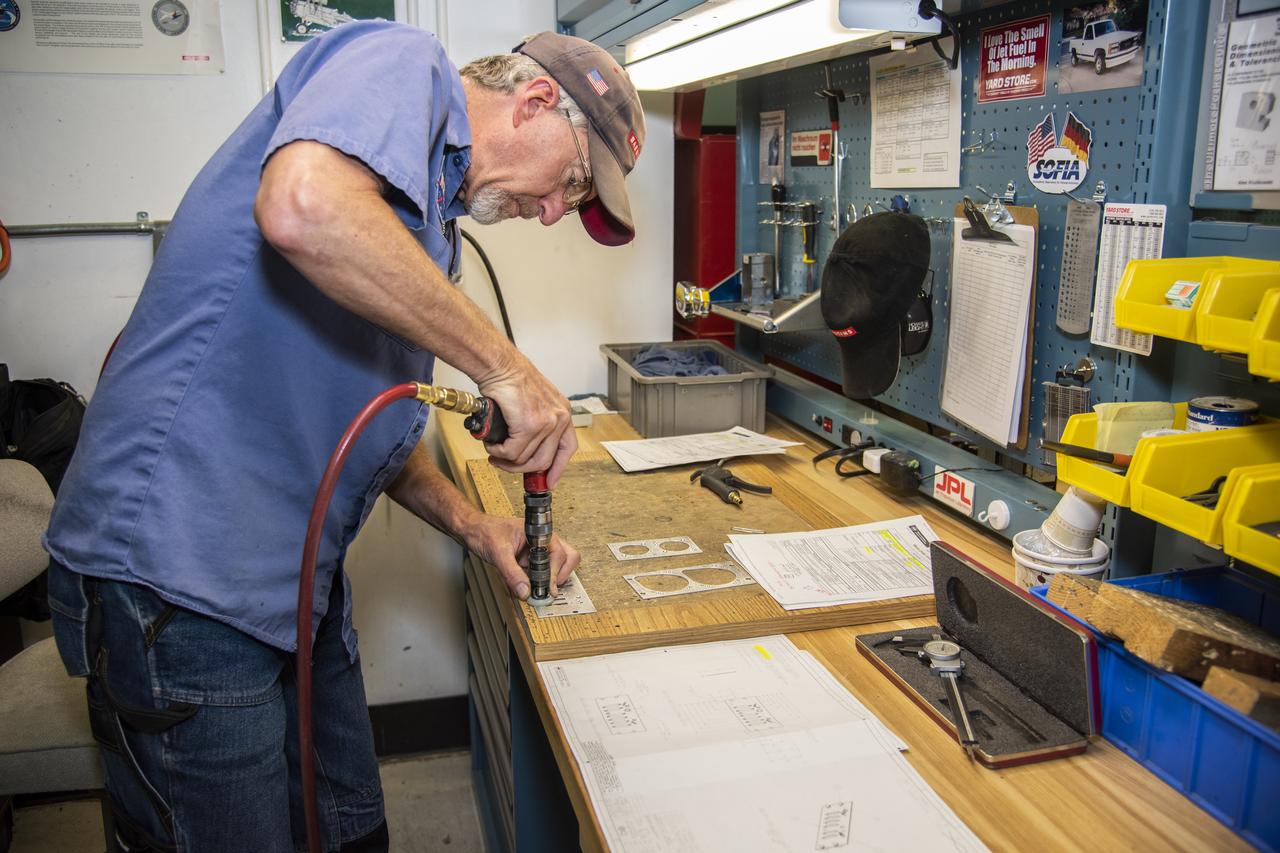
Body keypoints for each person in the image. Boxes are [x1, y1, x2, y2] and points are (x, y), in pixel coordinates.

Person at [42, 22, 646, 852]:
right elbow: (301, 205)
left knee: (349, 829)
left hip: (294, 585)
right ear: (537, 100)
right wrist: (506, 368)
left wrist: (479, 526)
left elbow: (383, 424)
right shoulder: (403, 62)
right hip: (181, 577)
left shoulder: (426, 237)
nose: (549, 215)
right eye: (570, 186)